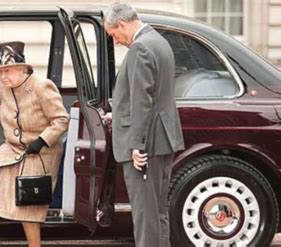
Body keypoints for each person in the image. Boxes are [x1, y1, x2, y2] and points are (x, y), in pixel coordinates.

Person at [0, 41, 69, 247]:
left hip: (40, 152)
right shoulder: (7, 87)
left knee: (28, 203)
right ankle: (5, 207)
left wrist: (42, 141)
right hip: (14, 147)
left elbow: (61, 120)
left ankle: (34, 245)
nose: (2, 76)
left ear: (22, 69)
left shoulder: (42, 86)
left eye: (6, 71)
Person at [102, 2, 184, 247]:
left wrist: (137, 145)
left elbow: (142, 100)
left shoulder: (140, 48)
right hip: (161, 139)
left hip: (147, 143)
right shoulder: (158, 41)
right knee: (157, 212)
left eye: (114, 35)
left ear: (122, 24)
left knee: (144, 215)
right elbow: (152, 94)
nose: (116, 41)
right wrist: (118, 114)